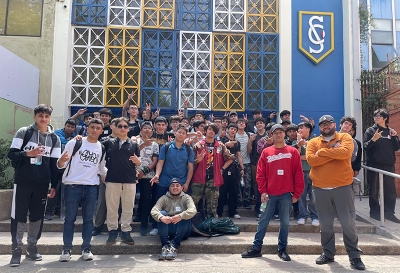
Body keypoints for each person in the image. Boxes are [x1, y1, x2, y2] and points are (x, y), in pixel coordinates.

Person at [306, 115, 365, 270]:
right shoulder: (313, 142)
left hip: (343, 188)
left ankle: (354, 256)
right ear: (319, 127)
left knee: (348, 223)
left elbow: (345, 154)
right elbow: (311, 160)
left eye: (329, 123)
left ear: (334, 124)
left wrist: (323, 153)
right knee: (325, 224)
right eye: (323, 124)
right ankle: (328, 253)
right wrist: (333, 152)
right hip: (320, 188)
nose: (326, 126)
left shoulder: (345, 137)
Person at [7, 104, 61, 267]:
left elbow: (54, 164)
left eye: (46, 116)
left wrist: (54, 185)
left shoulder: (54, 139)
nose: (43, 119)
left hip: (42, 184)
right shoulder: (24, 132)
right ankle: (16, 249)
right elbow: (11, 155)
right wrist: (26, 153)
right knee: (19, 216)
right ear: (35, 117)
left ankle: (32, 247)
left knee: (37, 217)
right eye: (40, 116)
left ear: (49, 118)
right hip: (23, 182)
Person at [241, 124, 303, 262]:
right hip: (269, 194)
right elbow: (260, 174)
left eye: (281, 132)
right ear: (272, 135)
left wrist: (297, 194)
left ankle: (282, 249)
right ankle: (256, 248)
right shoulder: (266, 152)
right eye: (276, 133)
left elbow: (298, 174)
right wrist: (262, 191)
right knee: (263, 221)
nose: (278, 135)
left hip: (286, 194)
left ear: (284, 134)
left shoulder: (292, 152)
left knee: (285, 223)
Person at [57, 118, 107, 262]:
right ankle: (66, 249)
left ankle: (86, 248)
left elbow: (101, 168)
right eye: (92, 127)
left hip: (91, 187)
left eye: (98, 128)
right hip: (72, 185)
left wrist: (109, 178)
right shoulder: (75, 142)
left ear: (101, 131)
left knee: (88, 220)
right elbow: (61, 164)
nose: (95, 130)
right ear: (87, 128)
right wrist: (60, 161)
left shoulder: (101, 147)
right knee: (70, 219)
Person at [149, 124, 195, 235]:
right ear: (175, 133)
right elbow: (160, 162)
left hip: (181, 182)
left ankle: (181, 229)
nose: (181, 134)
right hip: (164, 181)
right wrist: (157, 175)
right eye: (179, 132)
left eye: (184, 133)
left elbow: (190, 168)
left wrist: (187, 183)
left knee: (182, 206)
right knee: (159, 204)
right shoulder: (166, 146)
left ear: (186, 136)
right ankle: (156, 226)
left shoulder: (189, 150)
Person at [103, 117, 141, 245]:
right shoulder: (108, 142)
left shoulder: (134, 144)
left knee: (128, 207)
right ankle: (112, 231)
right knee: (112, 207)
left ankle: (126, 231)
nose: (123, 128)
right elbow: (101, 157)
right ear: (115, 128)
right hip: (112, 179)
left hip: (130, 180)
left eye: (125, 126)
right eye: (120, 126)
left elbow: (138, 162)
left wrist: (138, 162)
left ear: (128, 129)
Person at [364, 109, 400, 223]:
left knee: (390, 190)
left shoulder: (390, 131)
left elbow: (396, 147)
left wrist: (395, 136)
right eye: (375, 116)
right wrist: (373, 140)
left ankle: (389, 213)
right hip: (374, 165)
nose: (376, 117)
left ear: (385, 118)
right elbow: (365, 147)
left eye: (379, 116)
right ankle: (375, 212)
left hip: (388, 165)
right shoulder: (370, 131)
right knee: (374, 190)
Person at [191, 123, 234, 218]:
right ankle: (190, 227)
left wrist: (222, 169)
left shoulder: (220, 145)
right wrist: (197, 160)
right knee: (193, 204)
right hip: (199, 178)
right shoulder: (198, 145)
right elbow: (190, 163)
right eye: (209, 129)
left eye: (213, 130)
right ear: (205, 131)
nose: (211, 131)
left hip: (213, 178)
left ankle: (211, 228)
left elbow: (231, 158)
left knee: (212, 206)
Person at [151, 178, 197, 260]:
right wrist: (162, 217)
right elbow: (154, 210)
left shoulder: (187, 198)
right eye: (172, 186)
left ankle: (174, 247)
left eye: (177, 185)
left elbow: (193, 210)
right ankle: (165, 246)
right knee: (162, 214)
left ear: (182, 187)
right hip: (168, 228)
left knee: (184, 216)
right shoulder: (164, 198)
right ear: (169, 188)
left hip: (183, 230)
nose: (175, 188)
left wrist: (180, 216)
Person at [293, 122, 318, 225]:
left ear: (308, 129)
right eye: (298, 128)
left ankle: (315, 216)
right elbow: (296, 156)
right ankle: (302, 215)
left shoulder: (315, 141)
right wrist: (299, 143)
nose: (299, 130)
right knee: (301, 195)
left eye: (301, 127)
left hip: (313, 171)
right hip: (301, 172)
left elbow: (316, 155)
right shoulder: (295, 142)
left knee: (313, 195)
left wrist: (305, 156)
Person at [137, 121, 159, 235]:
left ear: (152, 131)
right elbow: (130, 154)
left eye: (149, 128)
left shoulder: (155, 144)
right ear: (140, 130)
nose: (146, 130)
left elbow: (155, 161)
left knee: (146, 200)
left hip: (148, 176)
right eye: (144, 128)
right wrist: (137, 172)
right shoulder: (135, 141)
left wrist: (144, 171)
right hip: (133, 174)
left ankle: (144, 225)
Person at [217, 123, 244, 219]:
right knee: (222, 190)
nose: (233, 131)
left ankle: (233, 212)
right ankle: (218, 212)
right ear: (227, 130)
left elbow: (239, 155)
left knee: (234, 190)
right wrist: (226, 145)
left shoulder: (237, 142)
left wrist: (242, 168)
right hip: (222, 167)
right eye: (231, 129)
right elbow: (217, 151)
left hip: (234, 168)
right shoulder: (222, 140)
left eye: (235, 130)